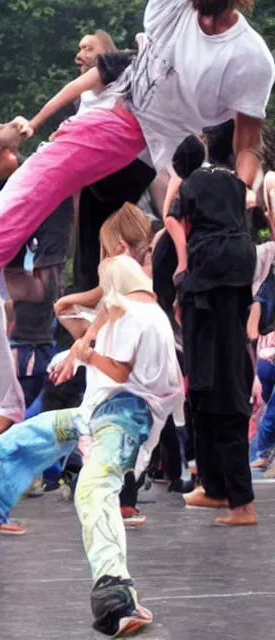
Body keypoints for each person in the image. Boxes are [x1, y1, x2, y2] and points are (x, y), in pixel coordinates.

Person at [0, 0, 275, 344]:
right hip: (114, 130)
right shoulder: (173, 1)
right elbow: (71, 90)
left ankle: (162, 335)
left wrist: (239, 190)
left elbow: (247, 144)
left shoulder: (250, 59)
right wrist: (33, 122)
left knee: (128, 253)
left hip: (150, 161)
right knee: (20, 208)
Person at [0, 255, 182, 637]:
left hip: (124, 419)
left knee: (93, 486)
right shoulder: (112, 320)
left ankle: (114, 592)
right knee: (23, 437)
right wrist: (90, 329)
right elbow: (63, 308)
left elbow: (121, 372)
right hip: (92, 416)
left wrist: (89, 344)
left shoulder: (142, 317)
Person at [166, 135, 257, 525]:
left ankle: (240, 502)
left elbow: (172, 218)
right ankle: (219, 490)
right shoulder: (233, 181)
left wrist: (183, 269)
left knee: (216, 387)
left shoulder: (190, 184)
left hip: (209, 274)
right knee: (214, 383)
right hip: (235, 267)